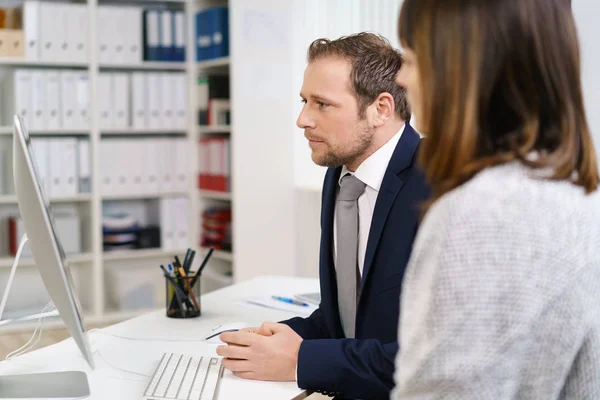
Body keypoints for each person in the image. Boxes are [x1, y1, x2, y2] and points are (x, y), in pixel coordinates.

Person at [392, 0, 600, 398]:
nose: (401, 78)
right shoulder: (572, 189)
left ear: (465, 73)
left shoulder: (485, 214)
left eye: (412, 59)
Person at [216, 33, 430, 399]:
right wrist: (280, 339)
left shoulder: (440, 186)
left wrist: (300, 361)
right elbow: (349, 318)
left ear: (381, 109)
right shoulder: (341, 172)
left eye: (322, 104)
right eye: (304, 101)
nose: (302, 119)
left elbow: (433, 360)